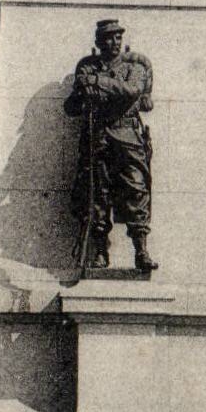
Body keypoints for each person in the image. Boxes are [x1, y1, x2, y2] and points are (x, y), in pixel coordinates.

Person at [63, 19, 156, 273]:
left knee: (136, 190)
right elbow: (71, 109)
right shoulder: (87, 67)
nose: (113, 43)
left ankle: (142, 251)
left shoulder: (133, 66)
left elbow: (131, 90)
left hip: (127, 136)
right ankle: (100, 252)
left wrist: (96, 81)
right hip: (97, 137)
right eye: (107, 38)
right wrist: (82, 90)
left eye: (117, 38)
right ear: (98, 42)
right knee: (97, 195)